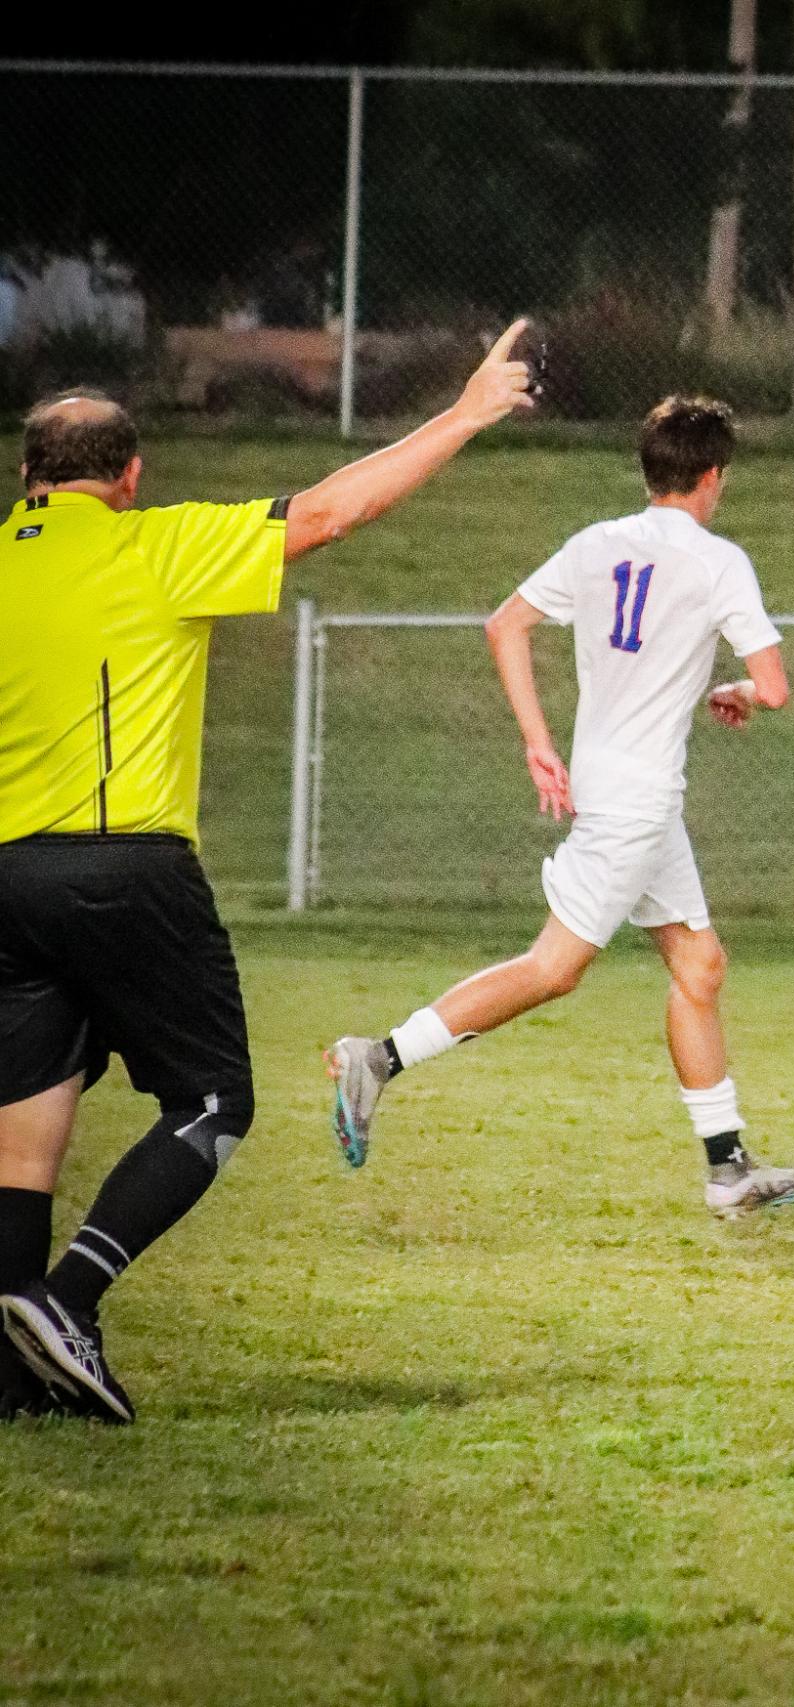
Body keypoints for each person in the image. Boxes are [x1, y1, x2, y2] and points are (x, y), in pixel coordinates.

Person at [1, 324, 536, 1423]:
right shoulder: (155, 544)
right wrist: (468, 410)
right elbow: (335, 509)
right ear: (131, 477)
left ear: (25, 477)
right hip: (126, 865)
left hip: (6, 882)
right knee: (211, 1102)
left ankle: (11, 1366)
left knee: (22, 1118)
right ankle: (70, 1295)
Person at [323, 398, 794, 1223]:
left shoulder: (597, 544)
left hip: (621, 785)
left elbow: (505, 625)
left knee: (699, 967)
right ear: (712, 477)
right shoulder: (717, 560)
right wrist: (736, 689)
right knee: (554, 968)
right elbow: (772, 687)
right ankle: (375, 1058)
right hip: (638, 801)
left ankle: (728, 1167)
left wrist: (536, 741)